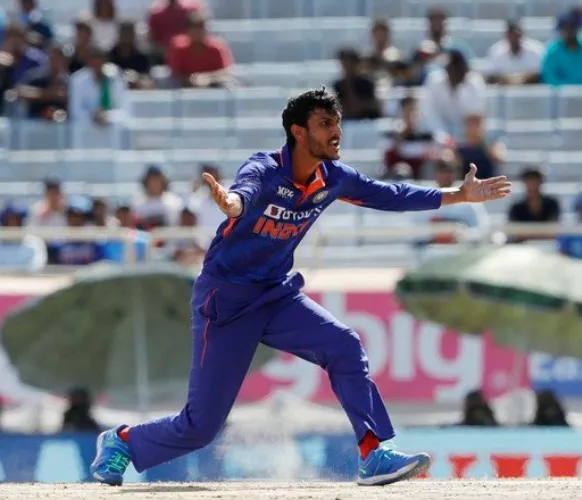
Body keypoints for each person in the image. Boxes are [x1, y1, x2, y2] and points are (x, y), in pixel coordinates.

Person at [89, 88, 512, 487]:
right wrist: (232, 204)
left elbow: (392, 194)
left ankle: (373, 452)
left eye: (338, 123)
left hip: (276, 294)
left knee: (345, 345)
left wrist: (459, 195)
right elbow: (244, 194)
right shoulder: (265, 168)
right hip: (227, 300)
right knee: (201, 427)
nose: (336, 132)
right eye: (326, 123)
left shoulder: (334, 177)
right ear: (299, 131)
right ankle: (123, 441)